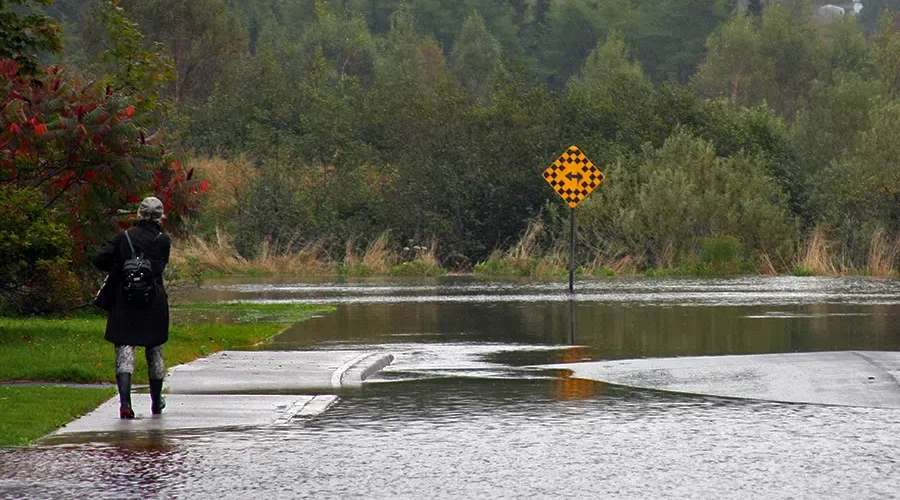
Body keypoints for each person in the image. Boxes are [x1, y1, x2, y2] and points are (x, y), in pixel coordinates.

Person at [94, 196, 172, 419]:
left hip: (124, 299)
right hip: (153, 299)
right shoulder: (163, 240)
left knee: (124, 349)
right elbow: (159, 267)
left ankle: (125, 403)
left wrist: (119, 266)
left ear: (138, 214)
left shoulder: (123, 237)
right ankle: (156, 402)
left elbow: (99, 259)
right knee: (154, 349)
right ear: (160, 216)